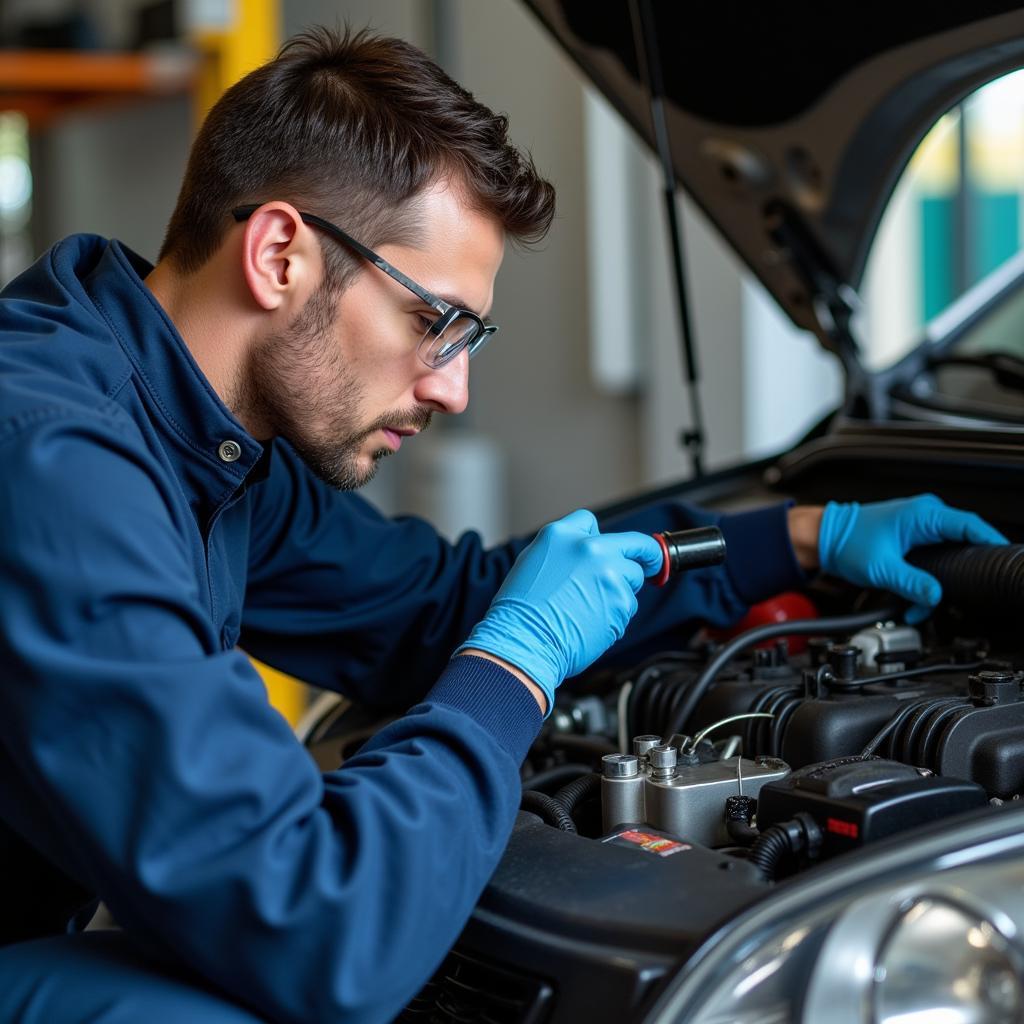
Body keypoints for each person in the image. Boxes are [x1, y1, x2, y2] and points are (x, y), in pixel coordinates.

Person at [0, 26, 1006, 1024]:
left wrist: (793, 537)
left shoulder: (199, 432)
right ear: (278, 255)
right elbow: (321, 925)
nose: (455, 387)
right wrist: (516, 667)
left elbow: (436, 608)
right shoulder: (56, 462)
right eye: (434, 322)